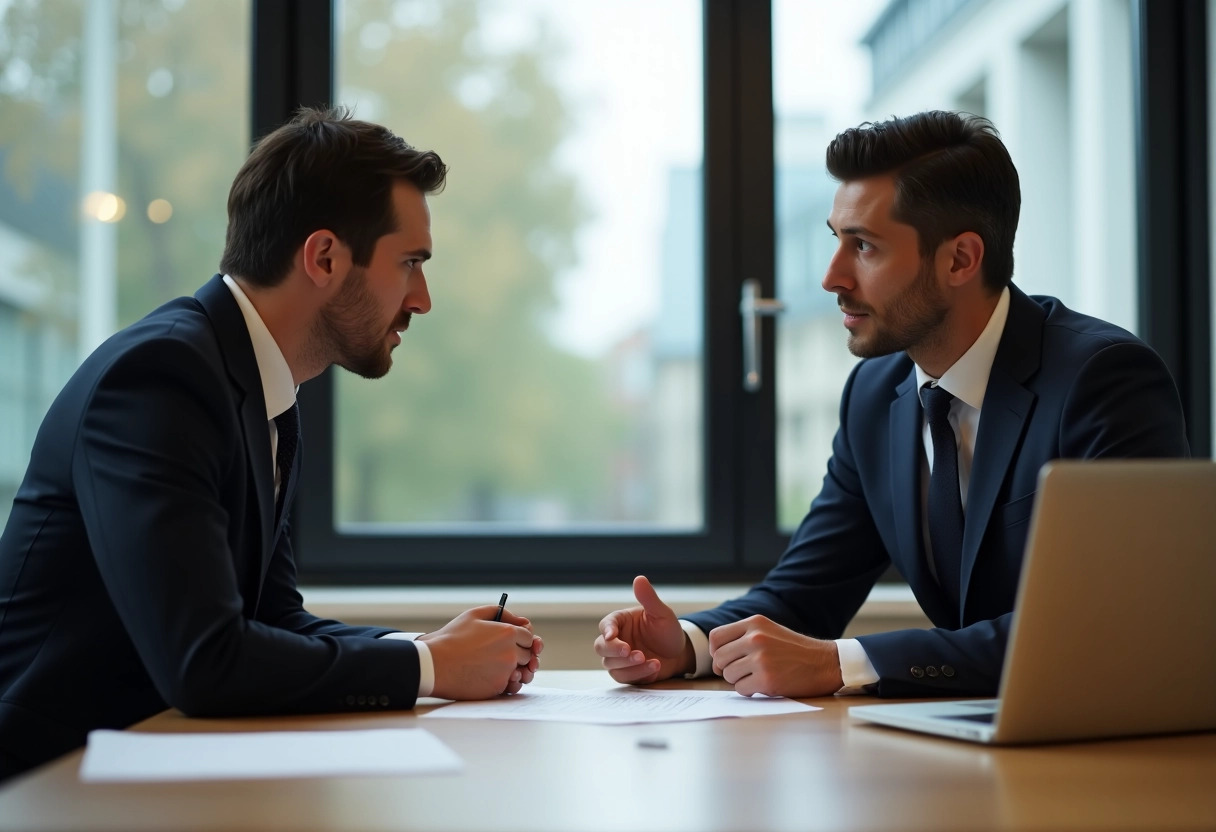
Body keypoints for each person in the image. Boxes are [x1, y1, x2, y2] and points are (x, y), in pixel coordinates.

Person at [0, 107, 542, 782]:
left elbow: (274, 618)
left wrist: (433, 649)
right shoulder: (159, 380)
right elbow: (205, 662)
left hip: (151, 769)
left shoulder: (262, 389)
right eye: (410, 263)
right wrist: (430, 667)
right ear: (322, 257)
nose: (423, 298)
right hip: (44, 786)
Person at [595, 110, 1189, 700]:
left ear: (960, 259)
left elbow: (1102, 628)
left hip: (1110, 752)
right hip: (968, 748)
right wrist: (689, 644)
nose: (831, 277)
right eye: (837, 240)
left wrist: (841, 664)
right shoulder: (876, 395)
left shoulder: (1105, 380)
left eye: (865, 247)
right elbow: (806, 593)